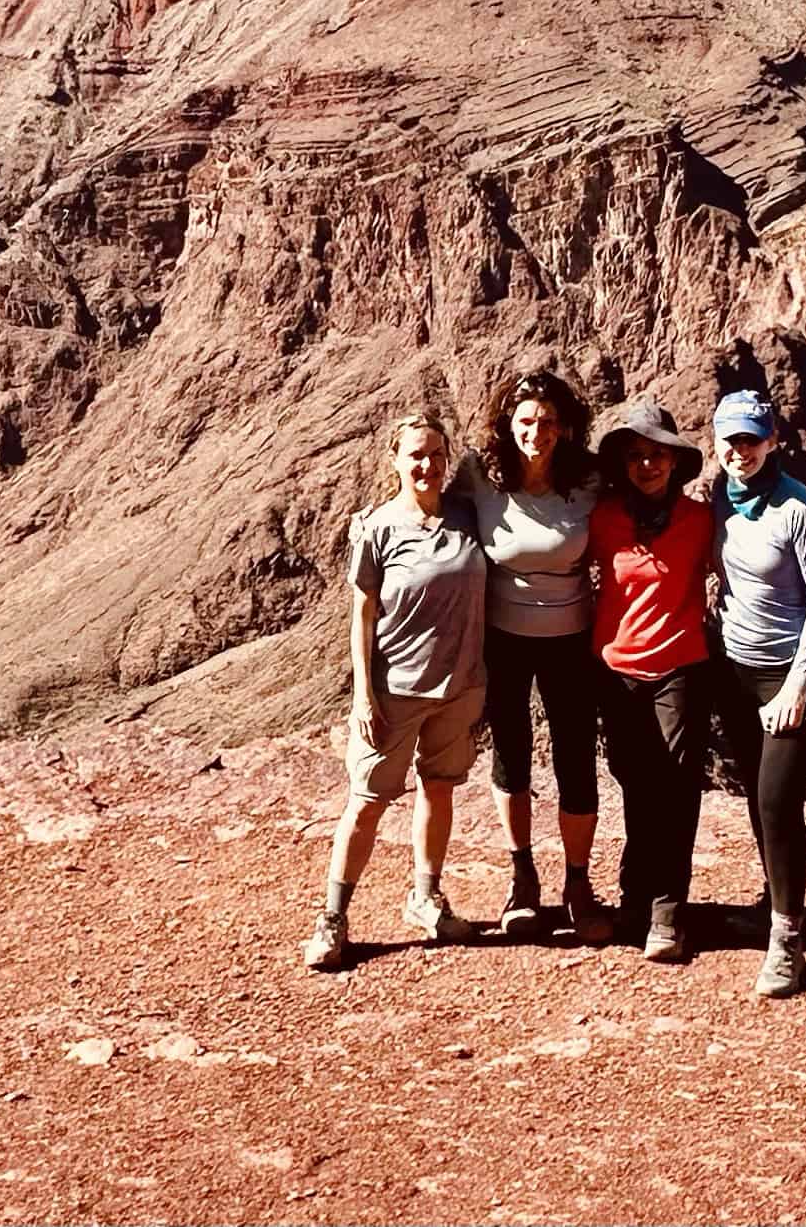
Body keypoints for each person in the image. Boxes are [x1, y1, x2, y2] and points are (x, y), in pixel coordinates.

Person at [305, 412, 488, 971]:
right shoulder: (377, 528)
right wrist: (363, 696)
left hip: (460, 687)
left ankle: (425, 898)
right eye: (415, 455)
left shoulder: (466, 516)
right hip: (395, 690)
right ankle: (333, 917)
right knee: (367, 802)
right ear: (396, 462)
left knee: (439, 788)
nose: (427, 465)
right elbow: (360, 617)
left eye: (436, 454)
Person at [708, 386, 806, 999]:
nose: (740, 451)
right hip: (735, 670)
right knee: (756, 799)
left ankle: (788, 940)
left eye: (751, 439)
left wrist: (797, 685)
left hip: (788, 672)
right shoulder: (719, 500)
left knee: (775, 804)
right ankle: (772, 901)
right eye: (730, 439)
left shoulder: (798, 507)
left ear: (773, 442)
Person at [471, 367, 608, 946]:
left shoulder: (589, 481)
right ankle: (522, 876)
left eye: (548, 421)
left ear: (565, 426)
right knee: (511, 752)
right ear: (507, 423)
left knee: (575, 758)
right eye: (526, 420)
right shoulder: (480, 477)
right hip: (502, 637)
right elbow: (426, 506)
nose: (537, 431)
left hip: (571, 639)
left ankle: (578, 883)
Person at [588, 397, 712, 964]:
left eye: (657, 455)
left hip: (679, 669)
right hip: (616, 671)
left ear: (675, 462)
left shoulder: (700, 521)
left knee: (677, 787)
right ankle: (634, 897)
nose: (646, 465)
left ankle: (667, 910)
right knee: (636, 783)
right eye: (636, 455)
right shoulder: (604, 518)